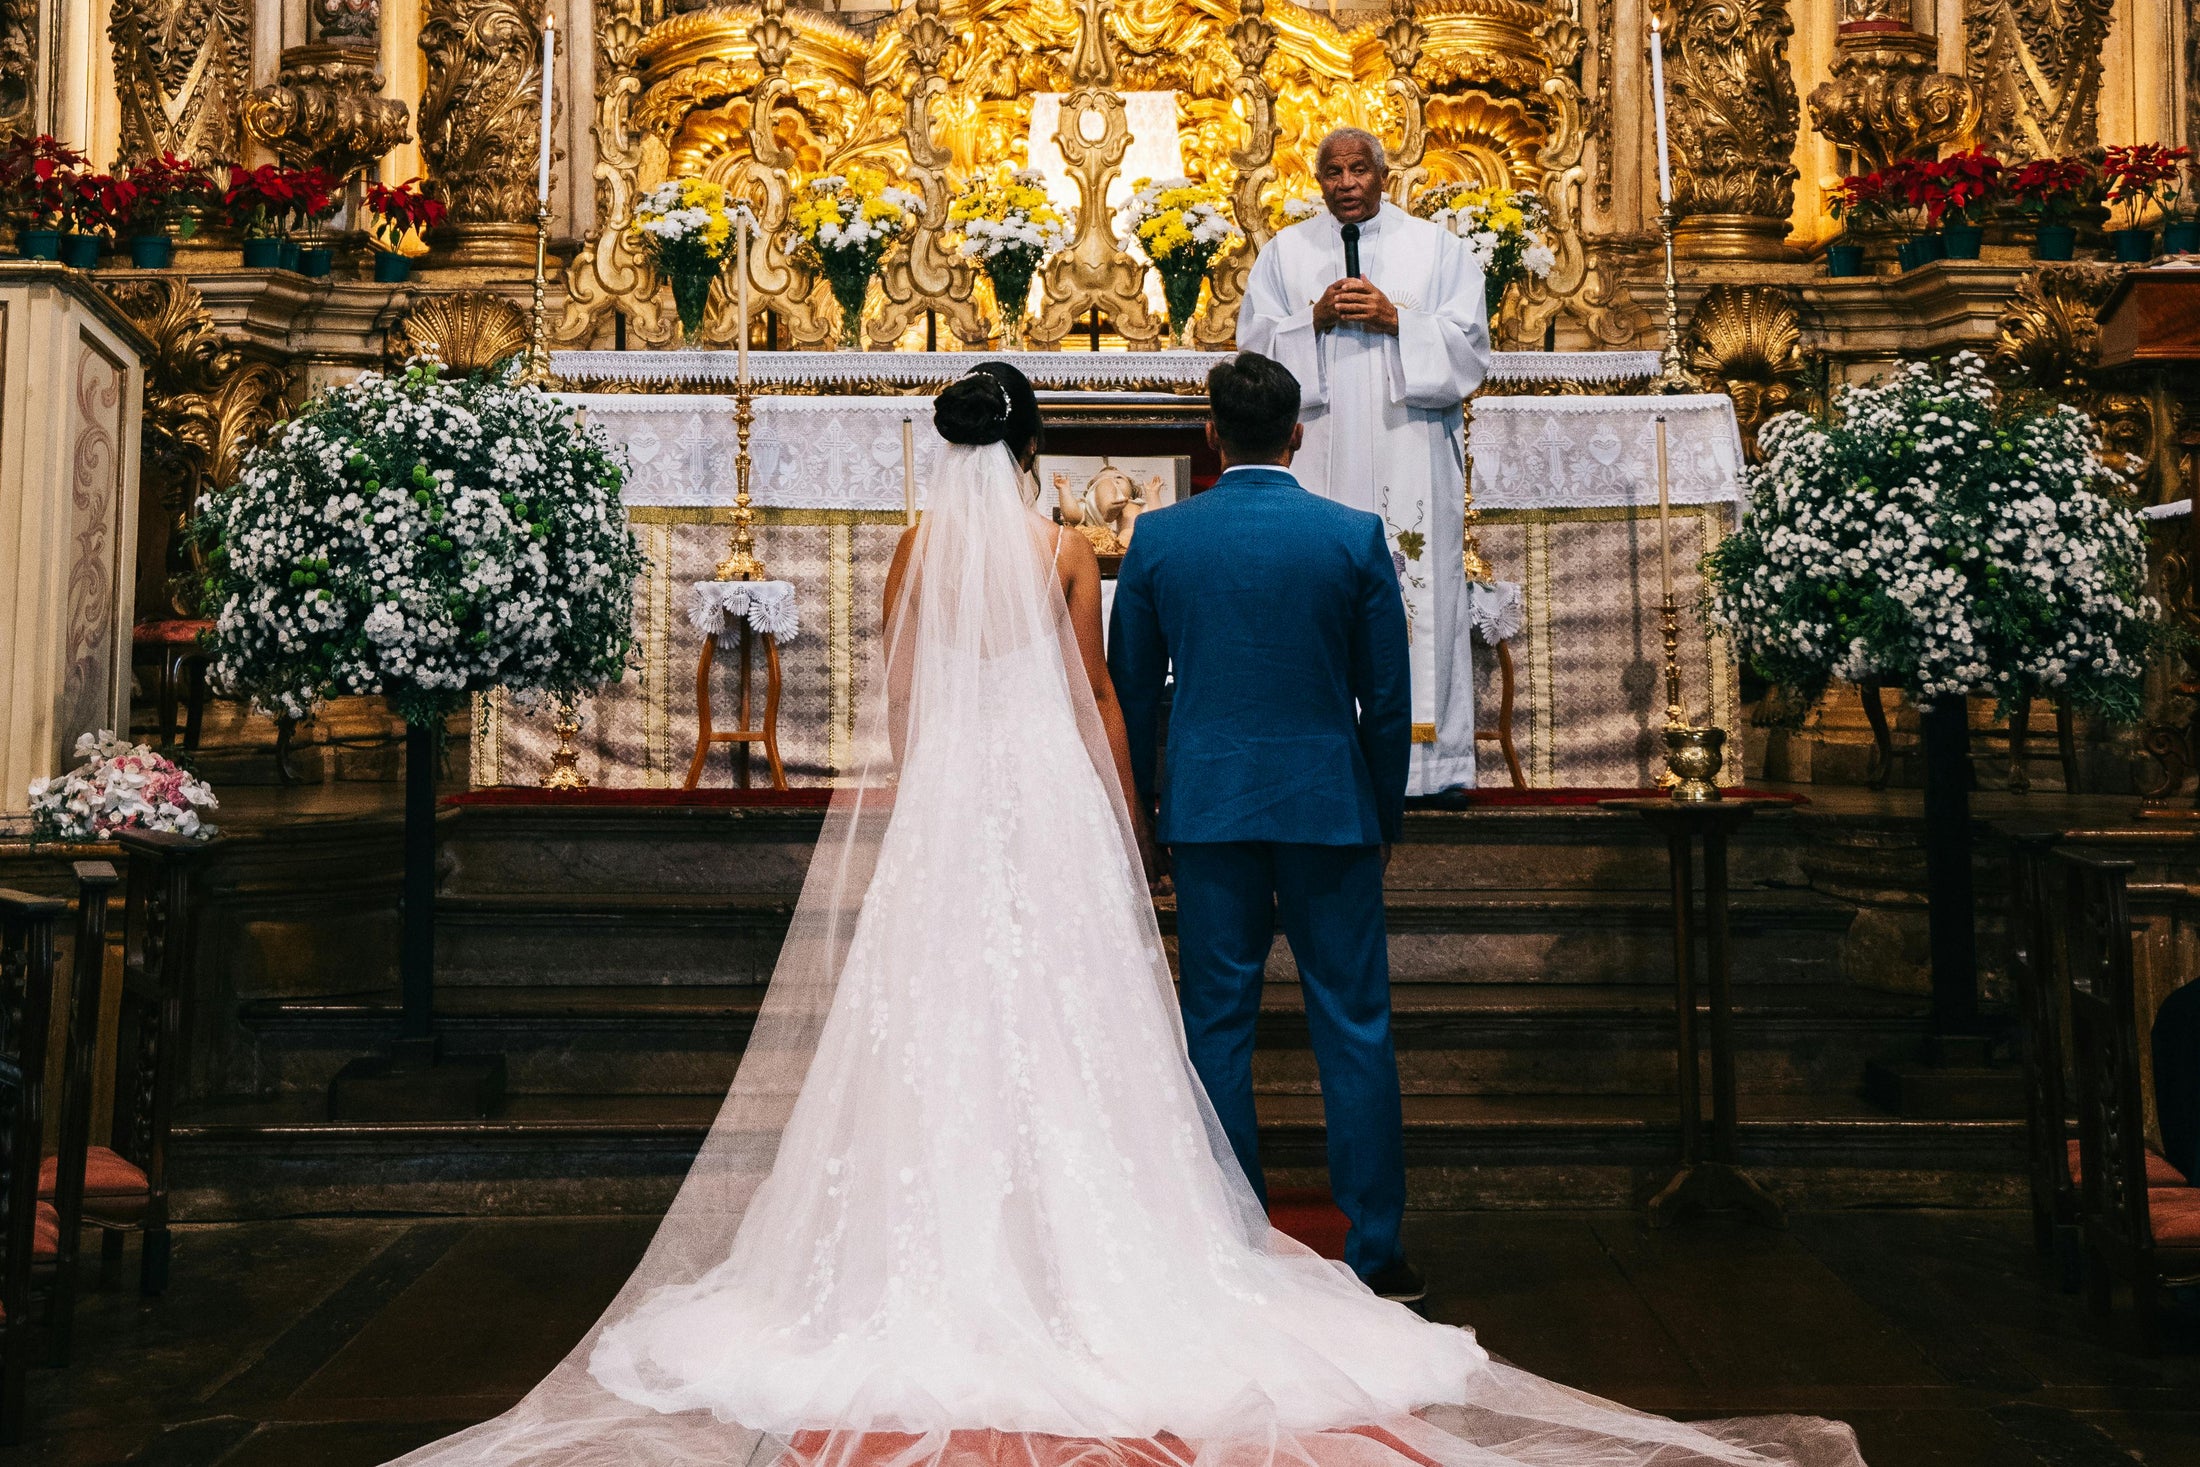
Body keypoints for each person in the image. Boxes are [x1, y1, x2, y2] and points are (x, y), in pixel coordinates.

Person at [374, 363, 1865, 1467]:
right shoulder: (1095, 545)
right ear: (1031, 449)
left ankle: (1008, 1222)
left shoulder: (967, 549)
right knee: (1224, 1013)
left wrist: (953, 779)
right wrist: (1117, 810)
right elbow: (1103, 691)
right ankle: (1326, 1236)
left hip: (981, 801)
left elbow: (908, 698)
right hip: (1177, 802)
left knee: (973, 1018)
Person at [1107, 350, 1418, 1302]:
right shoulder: (1351, 537)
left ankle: (1233, 1245)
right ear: (1296, 431)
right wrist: (1381, 810)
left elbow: (1133, 696)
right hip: (1330, 808)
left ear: (1211, 433)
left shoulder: (1160, 541)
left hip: (1209, 810)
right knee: (1354, 1026)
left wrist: (1147, 816)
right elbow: (1387, 697)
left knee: (1218, 1029)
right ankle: (1377, 1250)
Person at [1240, 126, 1491, 797]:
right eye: (1332, 172)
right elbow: (1255, 352)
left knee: (1418, 588)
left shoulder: (1437, 250)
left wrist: (1396, 319)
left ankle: (1427, 768)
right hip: (1317, 448)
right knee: (1317, 592)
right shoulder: (1285, 255)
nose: (1346, 183)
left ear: (1384, 173)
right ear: (1317, 180)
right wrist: (1310, 320)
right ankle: (1320, 757)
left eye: (1358, 169)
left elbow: (1470, 352)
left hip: (1412, 444)